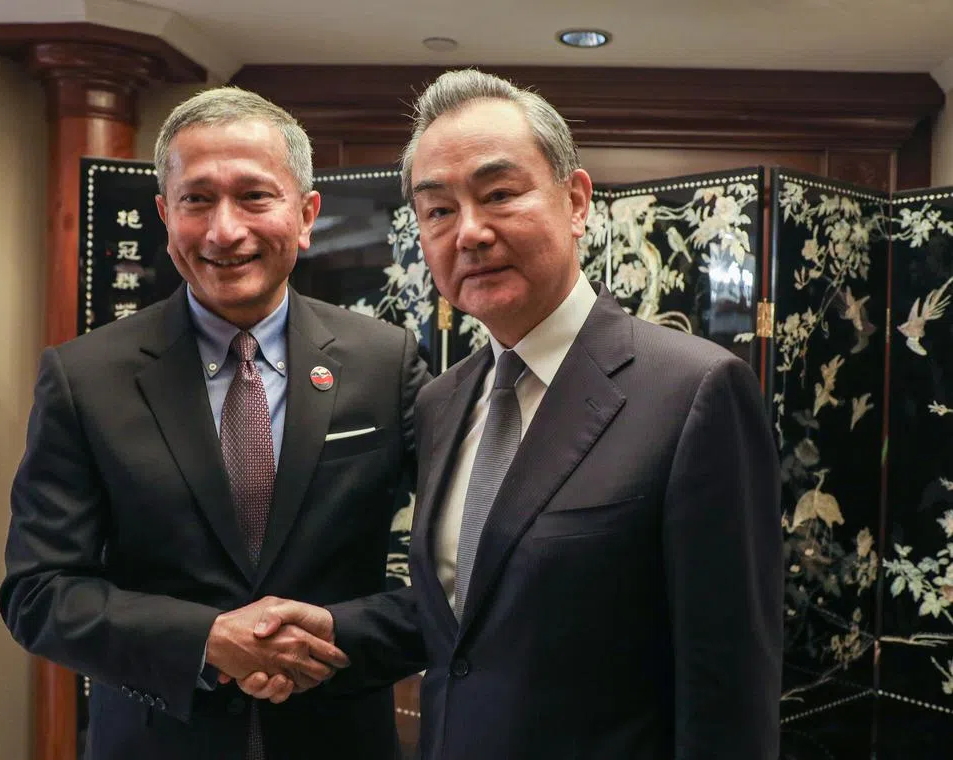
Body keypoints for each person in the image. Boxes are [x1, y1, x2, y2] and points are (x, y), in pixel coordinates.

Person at [254, 69, 784, 759]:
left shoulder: (694, 393)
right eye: (438, 211)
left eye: (499, 194)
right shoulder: (444, 400)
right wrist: (324, 630)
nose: (469, 232)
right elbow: (469, 612)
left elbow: (729, 689)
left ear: (575, 201)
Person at [0, 86, 428, 760]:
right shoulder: (85, 379)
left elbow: (460, 569)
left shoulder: (384, 363)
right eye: (197, 200)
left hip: (340, 737)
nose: (224, 230)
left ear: (307, 213)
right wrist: (204, 640)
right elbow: (38, 593)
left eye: (255, 196)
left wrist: (333, 636)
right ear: (166, 215)